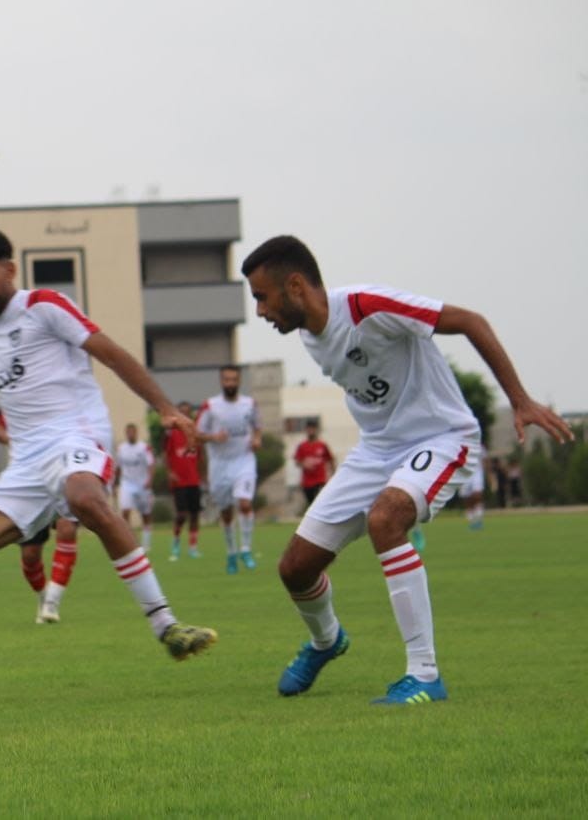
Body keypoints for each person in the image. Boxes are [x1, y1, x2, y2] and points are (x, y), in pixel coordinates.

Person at [0, 228, 216, 705]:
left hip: (77, 438)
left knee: (83, 497)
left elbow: (111, 354)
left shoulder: (45, 305)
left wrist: (166, 408)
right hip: (26, 465)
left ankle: (166, 625)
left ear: (10, 270)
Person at [242, 235, 571, 704]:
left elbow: (470, 321)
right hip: (376, 452)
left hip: (441, 438)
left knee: (386, 519)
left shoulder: (367, 307)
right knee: (295, 567)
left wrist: (519, 400)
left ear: (294, 286)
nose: (259, 311)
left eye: (261, 297)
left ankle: (425, 673)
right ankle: (326, 641)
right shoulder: (308, 334)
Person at [0, 410, 80, 622]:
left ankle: (52, 601)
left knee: (67, 528)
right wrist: (11, 439)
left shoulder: (59, 392)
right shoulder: (16, 390)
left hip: (62, 472)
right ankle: (43, 596)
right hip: (28, 480)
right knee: (30, 555)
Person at [196, 366, 262, 574]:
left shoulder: (249, 404)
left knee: (244, 503)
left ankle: (246, 549)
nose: (231, 383)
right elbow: (196, 434)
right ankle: (232, 552)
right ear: (221, 381)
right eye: (227, 380)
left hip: (244, 461)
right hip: (219, 465)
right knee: (226, 513)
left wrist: (257, 439)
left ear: (239, 381)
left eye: (234, 379)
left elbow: (258, 426)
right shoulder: (211, 405)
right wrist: (214, 437)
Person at [165, 402, 203, 561]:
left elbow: (201, 456)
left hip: (194, 480)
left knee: (194, 515)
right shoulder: (172, 434)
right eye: (181, 413)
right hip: (179, 481)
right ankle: (175, 544)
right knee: (181, 515)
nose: (185, 416)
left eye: (187, 413)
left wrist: (203, 476)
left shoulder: (195, 434)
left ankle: (193, 547)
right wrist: (170, 472)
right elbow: (165, 455)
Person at [115, 423, 156, 552]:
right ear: (126, 433)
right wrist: (114, 483)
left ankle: (146, 544)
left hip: (142, 484)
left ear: (136, 433)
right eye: (128, 432)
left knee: (146, 515)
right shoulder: (121, 449)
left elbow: (151, 464)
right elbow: (118, 467)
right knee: (125, 512)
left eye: (133, 432)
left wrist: (150, 479)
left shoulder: (144, 448)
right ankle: (130, 543)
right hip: (127, 484)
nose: (131, 434)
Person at [293, 419, 335, 510]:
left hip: (320, 480)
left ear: (316, 429)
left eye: (312, 428)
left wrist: (333, 476)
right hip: (307, 482)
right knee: (311, 505)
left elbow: (331, 460)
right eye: (309, 429)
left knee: (321, 503)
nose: (311, 431)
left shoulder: (322, 445)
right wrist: (304, 464)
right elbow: (297, 461)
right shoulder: (302, 446)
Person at [459, 443, 489, 530]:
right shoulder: (459, 446)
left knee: (478, 495)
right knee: (467, 499)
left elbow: (485, 460)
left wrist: (489, 475)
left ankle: (479, 519)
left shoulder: (480, 447)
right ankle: (472, 521)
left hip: (477, 473)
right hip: (465, 474)